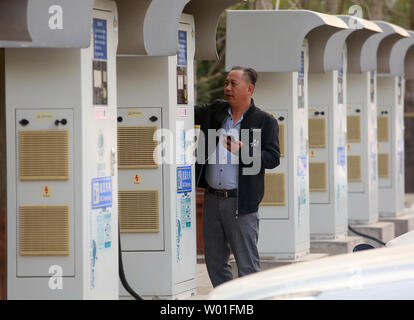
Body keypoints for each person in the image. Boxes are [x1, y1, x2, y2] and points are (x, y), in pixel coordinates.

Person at [194, 66, 280, 287]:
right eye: (225, 83)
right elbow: (184, 109)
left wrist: (244, 151)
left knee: (247, 264)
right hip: (212, 200)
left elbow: (272, 158)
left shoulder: (264, 121)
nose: (227, 88)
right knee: (214, 261)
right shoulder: (215, 112)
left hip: (241, 202)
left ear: (249, 88)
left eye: (233, 83)